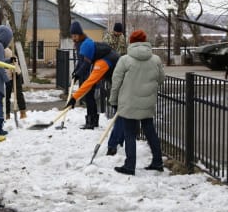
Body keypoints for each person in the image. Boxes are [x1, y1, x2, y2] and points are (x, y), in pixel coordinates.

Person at [109, 29, 165, 176]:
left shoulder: (125, 60)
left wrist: (113, 100)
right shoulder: (156, 60)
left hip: (129, 103)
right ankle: (158, 162)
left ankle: (130, 165)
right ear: (145, 41)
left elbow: (116, 82)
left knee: (129, 133)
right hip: (147, 102)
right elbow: (161, 80)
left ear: (131, 42)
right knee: (150, 131)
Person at [66, 31, 120, 119]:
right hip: (117, 83)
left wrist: (74, 98)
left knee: (118, 107)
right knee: (117, 106)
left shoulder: (101, 62)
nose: (85, 59)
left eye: (86, 57)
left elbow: (90, 82)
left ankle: (124, 129)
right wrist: (78, 74)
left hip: (121, 85)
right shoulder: (100, 52)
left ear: (91, 54)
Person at [70, 21, 99, 129]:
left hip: (90, 74)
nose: (74, 37)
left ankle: (91, 122)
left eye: (75, 35)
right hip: (85, 74)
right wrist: (76, 71)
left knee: (89, 98)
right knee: (89, 98)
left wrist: (79, 73)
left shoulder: (86, 43)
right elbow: (80, 61)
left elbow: (86, 63)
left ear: (80, 34)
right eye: (72, 35)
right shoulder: (78, 44)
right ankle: (93, 120)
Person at [104, 22, 127, 156]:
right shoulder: (108, 38)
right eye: (117, 32)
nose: (119, 34)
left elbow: (125, 52)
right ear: (114, 31)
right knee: (119, 111)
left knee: (122, 114)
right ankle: (115, 143)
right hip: (112, 70)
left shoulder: (123, 39)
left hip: (122, 69)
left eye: (120, 32)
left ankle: (119, 142)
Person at [4, 47, 27, 120]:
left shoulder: (6, 51)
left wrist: (16, 72)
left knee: (18, 93)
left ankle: (22, 113)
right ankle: (7, 114)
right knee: (6, 96)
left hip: (15, 74)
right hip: (6, 76)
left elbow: (14, 61)